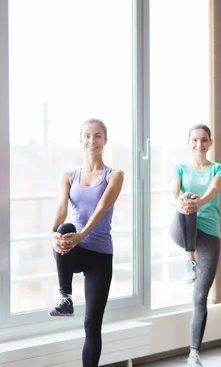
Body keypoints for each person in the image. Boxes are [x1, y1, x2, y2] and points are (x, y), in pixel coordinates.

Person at [48, 118, 124, 367]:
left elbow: (101, 209)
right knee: (64, 228)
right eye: (88, 136)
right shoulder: (69, 176)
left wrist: (83, 235)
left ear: (105, 140)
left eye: (98, 136)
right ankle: (65, 297)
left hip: (100, 254)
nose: (93, 141)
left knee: (92, 324)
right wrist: (53, 234)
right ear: (81, 140)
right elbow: (61, 208)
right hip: (73, 249)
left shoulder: (114, 175)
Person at [168, 124, 221, 367]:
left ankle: (193, 354)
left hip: (208, 234)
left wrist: (199, 202)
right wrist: (182, 203)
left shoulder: (218, 168)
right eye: (195, 140)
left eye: (204, 140)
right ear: (189, 142)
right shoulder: (180, 168)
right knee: (187, 198)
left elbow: (215, 189)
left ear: (210, 143)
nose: (199, 144)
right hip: (182, 230)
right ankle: (189, 258)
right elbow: (173, 192)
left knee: (200, 296)